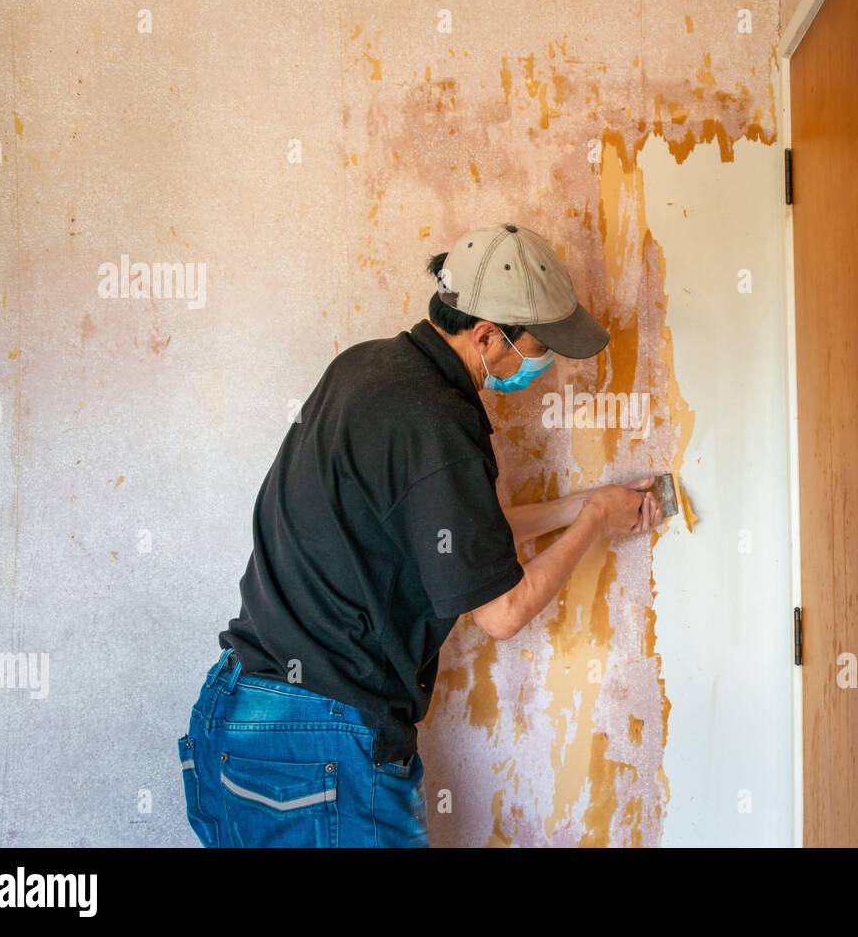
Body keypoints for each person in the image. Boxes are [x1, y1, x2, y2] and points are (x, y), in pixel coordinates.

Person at [177, 222, 663, 847]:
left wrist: (581, 505)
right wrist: (597, 524)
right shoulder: (439, 421)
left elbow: (458, 543)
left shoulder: (368, 367)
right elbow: (502, 610)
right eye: (539, 347)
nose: (542, 366)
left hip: (236, 720)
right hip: (318, 748)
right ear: (487, 336)